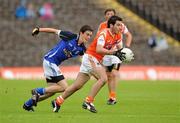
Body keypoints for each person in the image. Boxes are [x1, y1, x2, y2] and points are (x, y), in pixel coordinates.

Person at [52, 15, 126, 113]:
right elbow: (98, 49)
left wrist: (123, 54)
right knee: (103, 78)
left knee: (77, 86)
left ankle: (58, 101)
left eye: (121, 25)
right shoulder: (103, 33)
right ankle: (88, 102)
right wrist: (114, 52)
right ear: (111, 25)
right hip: (91, 58)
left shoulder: (118, 35)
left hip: (95, 60)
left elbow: (120, 50)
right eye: (118, 25)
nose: (120, 27)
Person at [23, 25, 93, 111]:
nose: (89, 37)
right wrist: (39, 29)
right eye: (87, 34)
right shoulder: (70, 36)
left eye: (90, 35)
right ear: (81, 33)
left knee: (51, 92)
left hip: (52, 64)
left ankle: (27, 104)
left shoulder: (82, 49)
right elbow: (54, 31)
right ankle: (38, 91)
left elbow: (86, 59)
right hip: (50, 61)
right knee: (64, 87)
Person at [99, 9, 132, 105]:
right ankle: (111, 97)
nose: (109, 15)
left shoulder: (121, 25)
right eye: (107, 14)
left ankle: (113, 97)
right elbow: (99, 38)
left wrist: (127, 49)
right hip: (106, 53)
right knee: (108, 76)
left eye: (111, 14)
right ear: (105, 16)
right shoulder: (102, 26)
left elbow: (129, 35)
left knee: (114, 73)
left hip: (117, 52)